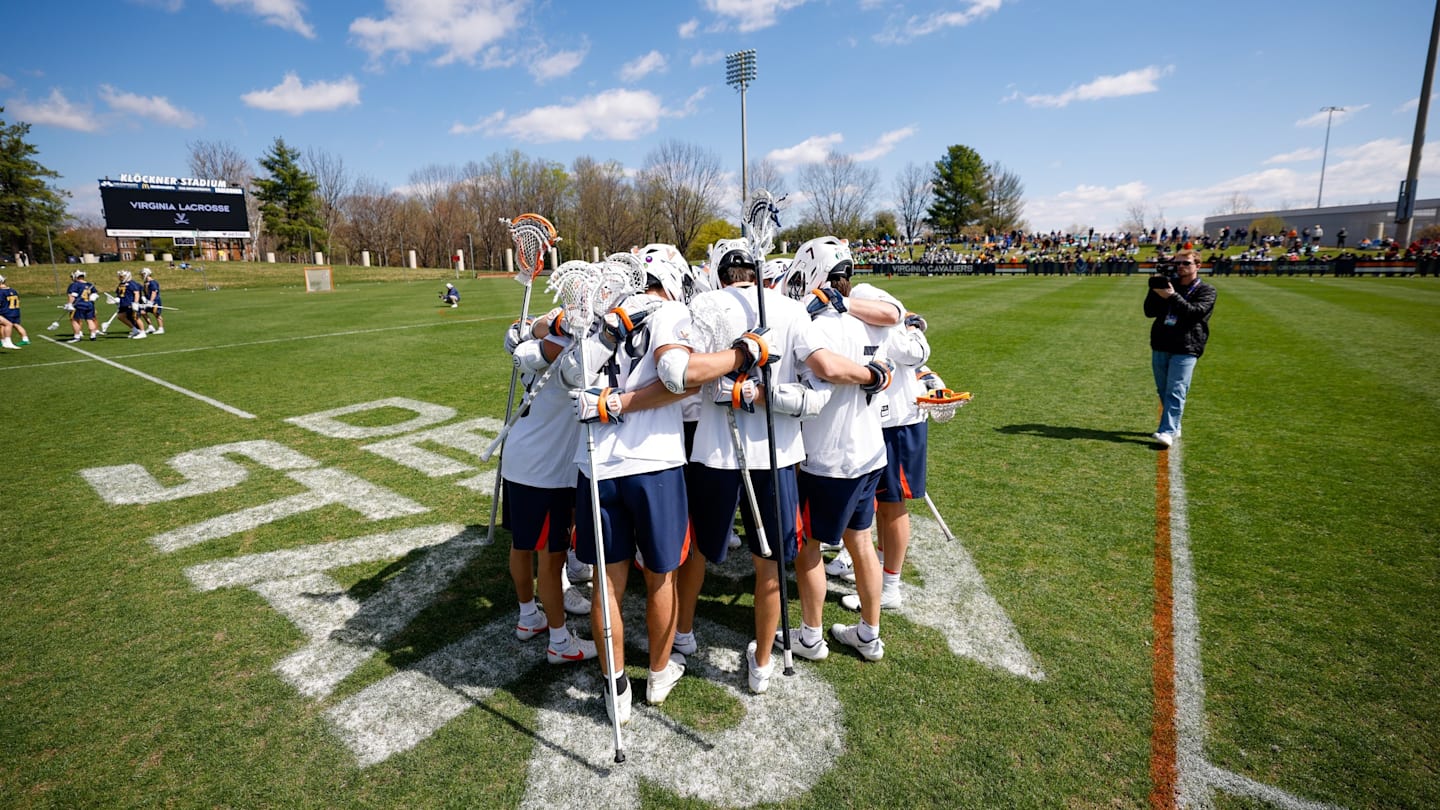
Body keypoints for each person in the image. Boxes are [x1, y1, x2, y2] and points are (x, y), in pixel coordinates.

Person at [563, 258, 696, 725]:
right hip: (654, 460)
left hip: (598, 461)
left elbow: (570, 376)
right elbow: (678, 378)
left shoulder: (601, 312)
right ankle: (658, 674)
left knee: (607, 581)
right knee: (661, 577)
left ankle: (615, 683)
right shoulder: (670, 313)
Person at [674, 240, 810, 694]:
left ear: (717, 271)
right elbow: (814, 384)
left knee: (697, 552)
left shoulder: (705, 303)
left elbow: (687, 373)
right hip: (776, 451)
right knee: (767, 561)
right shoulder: (791, 309)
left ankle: (683, 634)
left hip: (717, 451)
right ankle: (764, 662)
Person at [779, 236, 895, 663]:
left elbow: (817, 376)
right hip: (868, 450)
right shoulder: (866, 322)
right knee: (861, 541)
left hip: (828, 458)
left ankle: (809, 637)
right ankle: (869, 632)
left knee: (809, 546)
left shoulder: (818, 325)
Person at [500, 312, 597, 668]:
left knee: (522, 545)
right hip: (548, 470)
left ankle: (529, 616)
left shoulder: (528, 342)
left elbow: (524, 328)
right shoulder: (573, 355)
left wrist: (530, 329)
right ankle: (559, 640)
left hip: (519, 457)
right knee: (551, 556)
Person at [1144, 249, 1217, 447]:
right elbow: (1149, 312)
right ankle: (1174, 425)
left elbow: (1194, 313)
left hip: (1187, 345)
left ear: (1198, 266)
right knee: (1163, 388)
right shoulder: (1168, 285)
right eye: (1178, 263)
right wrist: (1155, 292)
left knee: (1176, 388)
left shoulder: (1207, 291)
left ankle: (1166, 431)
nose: (1181, 267)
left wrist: (1171, 296)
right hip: (1161, 342)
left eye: (1186, 263)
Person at [64, 270, 101, 341]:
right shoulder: (90, 284)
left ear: (76, 276)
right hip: (90, 305)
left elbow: (72, 295)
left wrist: (69, 304)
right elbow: (95, 295)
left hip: (79, 305)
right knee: (89, 320)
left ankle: (77, 336)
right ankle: (93, 335)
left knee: (74, 320)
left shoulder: (75, 284)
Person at [115, 270, 147, 339]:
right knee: (120, 316)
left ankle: (142, 332)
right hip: (124, 304)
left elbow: (136, 293)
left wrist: (135, 303)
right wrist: (116, 299)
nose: (121, 278)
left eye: (122, 276)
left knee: (136, 317)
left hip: (131, 303)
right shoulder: (121, 284)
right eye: (120, 276)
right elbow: (119, 293)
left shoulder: (132, 283)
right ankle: (134, 330)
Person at [0, 275, 29, 349]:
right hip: (15, 310)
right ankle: (24, 338)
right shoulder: (13, 290)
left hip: (6, 311)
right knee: (13, 325)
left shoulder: (1, 292)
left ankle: (5, 341)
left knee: (5, 325)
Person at [140, 268, 164, 334]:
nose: (141, 276)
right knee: (142, 312)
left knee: (156, 314)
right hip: (147, 301)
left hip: (155, 301)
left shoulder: (153, 282)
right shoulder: (145, 283)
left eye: (142, 274)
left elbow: (154, 292)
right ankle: (150, 327)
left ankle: (161, 328)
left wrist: (151, 301)